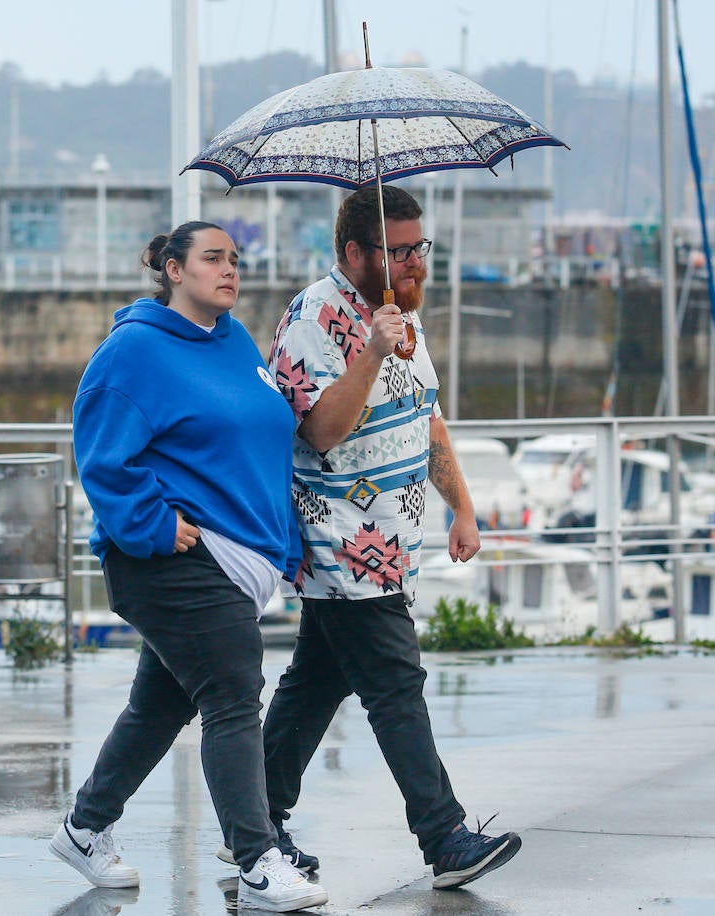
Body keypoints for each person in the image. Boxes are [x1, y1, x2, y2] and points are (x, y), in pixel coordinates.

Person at [47, 221, 327, 912]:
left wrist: (284, 545)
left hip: (241, 559)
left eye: (234, 259)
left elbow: (259, 447)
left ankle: (85, 828)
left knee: (159, 706)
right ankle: (259, 863)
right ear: (172, 269)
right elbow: (103, 455)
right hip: (174, 559)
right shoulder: (134, 351)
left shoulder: (233, 343)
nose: (228, 270)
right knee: (232, 698)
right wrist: (152, 525)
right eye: (212, 258)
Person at [260, 185, 522, 889]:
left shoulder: (402, 316)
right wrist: (372, 352)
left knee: (317, 681)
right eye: (398, 250)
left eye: (419, 248)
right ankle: (444, 838)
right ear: (355, 252)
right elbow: (317, 431)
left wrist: (462, 506)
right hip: (342, 542)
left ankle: (252, 823)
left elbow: (426, 417)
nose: (412, 263)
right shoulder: (313, 317)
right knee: (395, 685)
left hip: (395, 542)